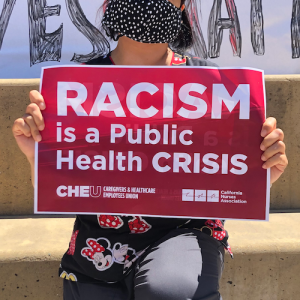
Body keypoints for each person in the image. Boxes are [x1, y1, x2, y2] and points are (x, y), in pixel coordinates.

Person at [12, 0, 288, 299]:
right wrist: (34, 154)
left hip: (185, 232)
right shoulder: (76, 86)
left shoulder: (212, 83)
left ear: (183, 6)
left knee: (170, 290)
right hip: (96, 247)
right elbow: (61, 189)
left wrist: (259, 177)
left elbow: (227, 180)